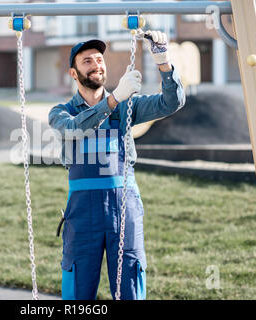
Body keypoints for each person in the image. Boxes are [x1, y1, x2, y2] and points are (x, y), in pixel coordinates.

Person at [48, 30, 185, 300]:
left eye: (99, 59)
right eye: (87, 61)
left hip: (125, 208)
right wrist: (114, 99)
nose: (96, 64)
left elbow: (172, 102)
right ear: (74, 73)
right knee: (78, 289)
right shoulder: (62, 112)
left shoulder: (126, 108)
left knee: (130, 284)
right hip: (82, 213)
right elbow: (76, 129)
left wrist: (163, 60)